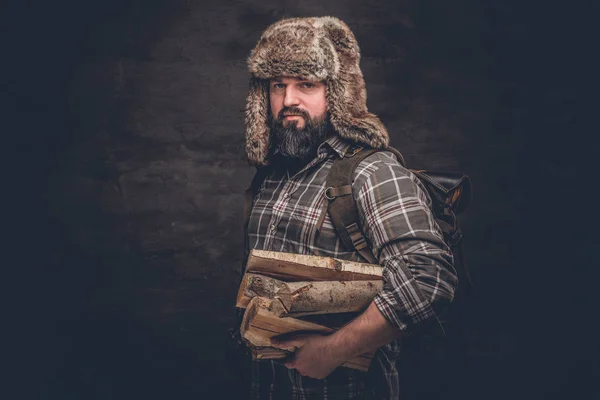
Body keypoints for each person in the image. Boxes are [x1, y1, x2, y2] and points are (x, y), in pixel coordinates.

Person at [242, 16, 457, 399]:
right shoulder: (272, 176)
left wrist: (330, 351)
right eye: (278, 85)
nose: (289, 100)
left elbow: (428, 279)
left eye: (306, 83)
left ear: (336, 93)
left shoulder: (373, 172)